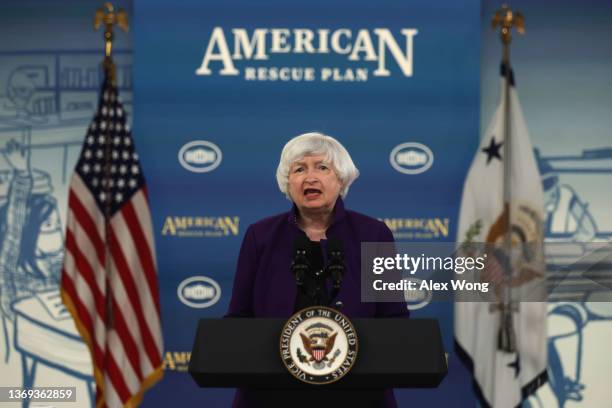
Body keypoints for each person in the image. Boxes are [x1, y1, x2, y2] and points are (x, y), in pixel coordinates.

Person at [227, 132, 408, 408]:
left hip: (358, 393)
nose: (310, 177)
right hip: (272, 394)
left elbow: (393, 319)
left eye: (322, 167)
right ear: (288, 182)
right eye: (299, 169)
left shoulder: (374, 234)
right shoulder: (260, 236)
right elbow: (239, 319)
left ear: (341, 178)